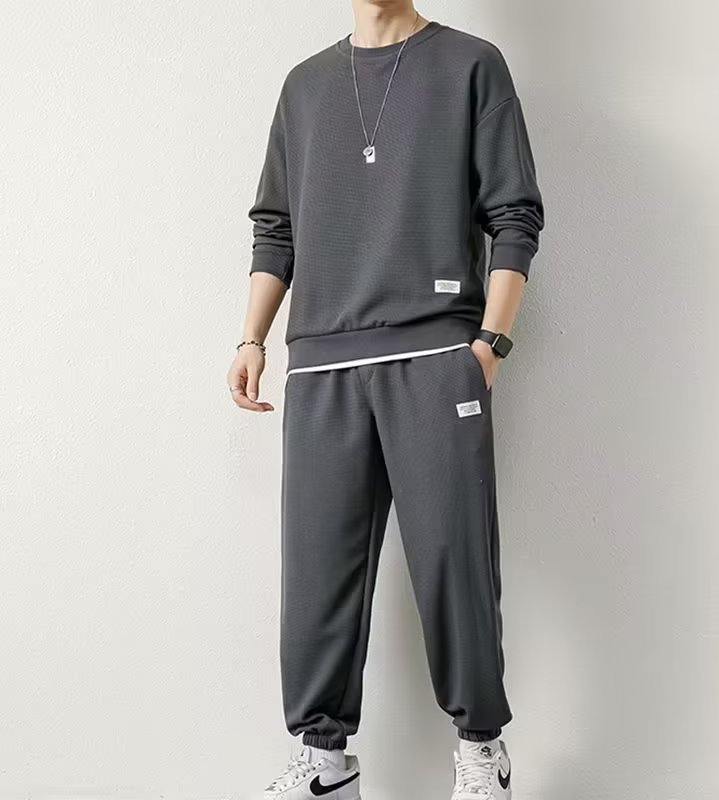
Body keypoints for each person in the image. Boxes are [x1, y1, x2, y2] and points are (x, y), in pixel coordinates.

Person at [227, 2, 544, 797]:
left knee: (453, 563)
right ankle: (325, 763)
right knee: (317, 575)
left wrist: (490, 345)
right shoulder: (304, 86)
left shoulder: (472, 65)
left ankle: (482, 752)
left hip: (436, 357)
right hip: (321, 364)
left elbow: (514, 215)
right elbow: (276, 227)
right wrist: (252, 338)